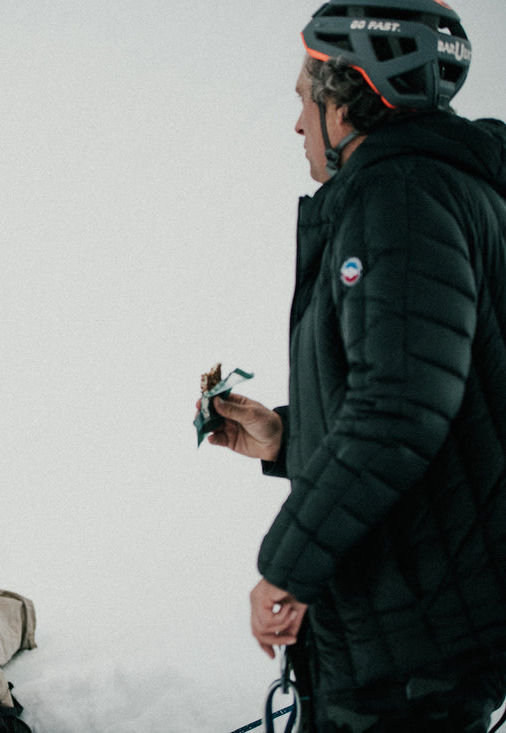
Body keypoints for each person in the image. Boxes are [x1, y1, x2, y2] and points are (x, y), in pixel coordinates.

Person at [205, 1, 506, 730]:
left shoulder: (398, 197)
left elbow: (398, 410)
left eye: (304, 100)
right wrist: (288, 439)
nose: (298, 124)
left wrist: (288, 565)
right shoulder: (449, 191)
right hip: (424, 623)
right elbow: (449, 401)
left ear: (344, 104)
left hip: (410, 650)